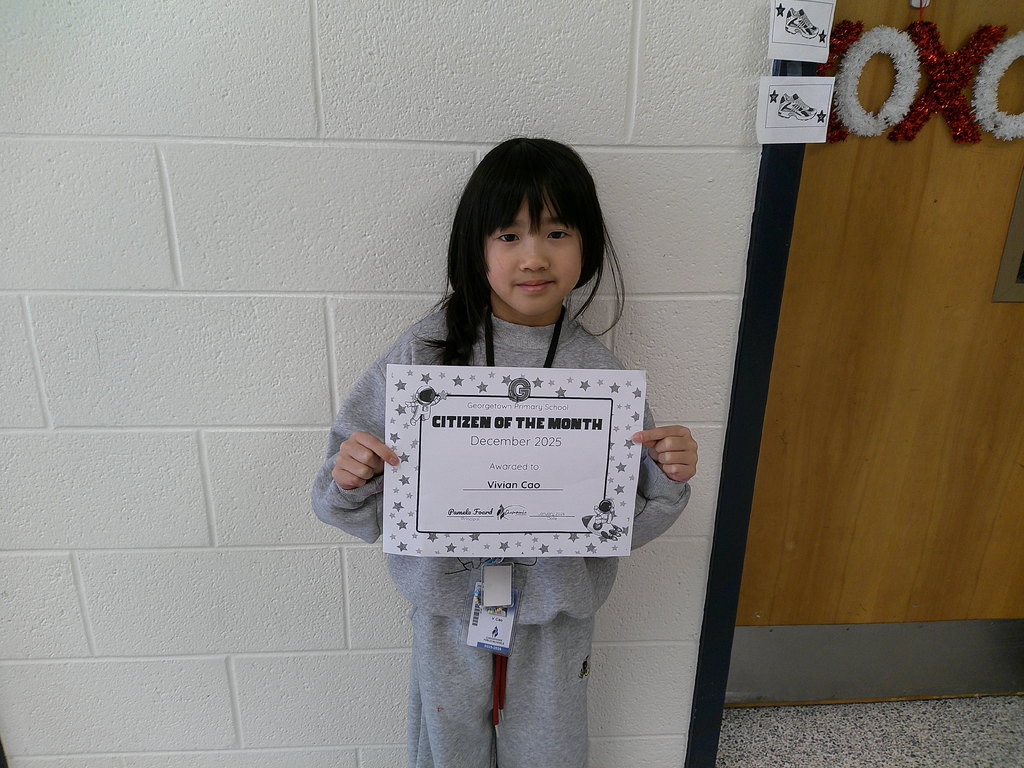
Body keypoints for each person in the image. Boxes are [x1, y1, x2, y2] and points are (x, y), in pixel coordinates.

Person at [311, 137, 697, 768]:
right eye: (509, 235)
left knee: (550, 754)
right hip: (447, 612)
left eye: (557, 231)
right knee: (447, 752)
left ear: (586, 244)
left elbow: (619, 521)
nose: (535, 256)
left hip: (555, 622)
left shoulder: (597, 375)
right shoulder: (425, 356)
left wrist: (667, 479)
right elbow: (340, 500)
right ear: (476, 248)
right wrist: (350, 478)